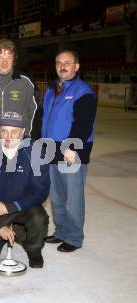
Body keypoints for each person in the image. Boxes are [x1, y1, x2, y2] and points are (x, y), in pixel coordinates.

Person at [0, 112, 49, 268]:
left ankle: (34, 249)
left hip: (24, 206)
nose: (8, 136)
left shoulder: (35, 152)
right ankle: (15, 232)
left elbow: (40, 191)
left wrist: (9, 207)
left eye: (14, 132)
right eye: (4, 131)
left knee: (39, 218)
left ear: (22, 131)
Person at [41, 49, 97, 252]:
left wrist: (72, 147)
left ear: (77, 66)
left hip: (70, 152)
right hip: (52, 150)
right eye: (59, 62)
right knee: (57, 196)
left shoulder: (83, 91)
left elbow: (83, 124)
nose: (62, 66)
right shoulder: (51, 89)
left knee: (72, 198)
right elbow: (44, 119)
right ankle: (61, 231)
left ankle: (73, 237)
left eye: (67, 62)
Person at [0, 39, 38, 140]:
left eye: (8, 58)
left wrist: (27, 136)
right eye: (0, 58)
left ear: (14, 60)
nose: (4, 62)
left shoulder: (25, 83)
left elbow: (33, 112)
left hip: (16, 142)